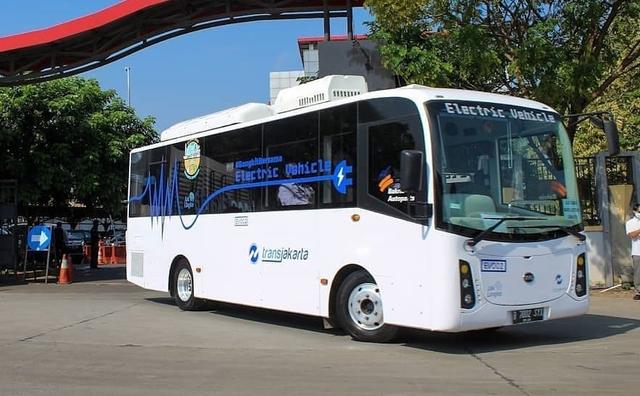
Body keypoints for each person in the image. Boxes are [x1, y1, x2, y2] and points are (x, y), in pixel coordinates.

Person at [624, 204, 640, 300]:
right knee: (638, 272)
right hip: (637, 251)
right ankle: (638, 291)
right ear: (635, 212)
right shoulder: (630, 223)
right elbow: (631, 235)